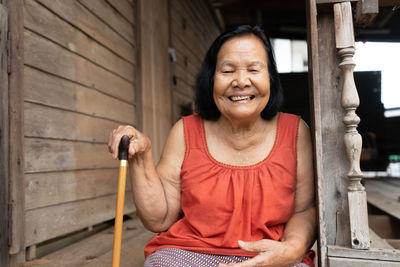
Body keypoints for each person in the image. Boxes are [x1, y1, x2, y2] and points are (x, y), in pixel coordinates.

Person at [108, 25, 316, 267]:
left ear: (269, 77)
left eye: (253, 69)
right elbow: (159, 219)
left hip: (270, 256)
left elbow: (304, 210)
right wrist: (141, 157)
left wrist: (292, 250)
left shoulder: (296, 132)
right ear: (211, 79)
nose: (240, 81)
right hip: (190, 253)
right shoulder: (186, 132)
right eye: (227, 70)